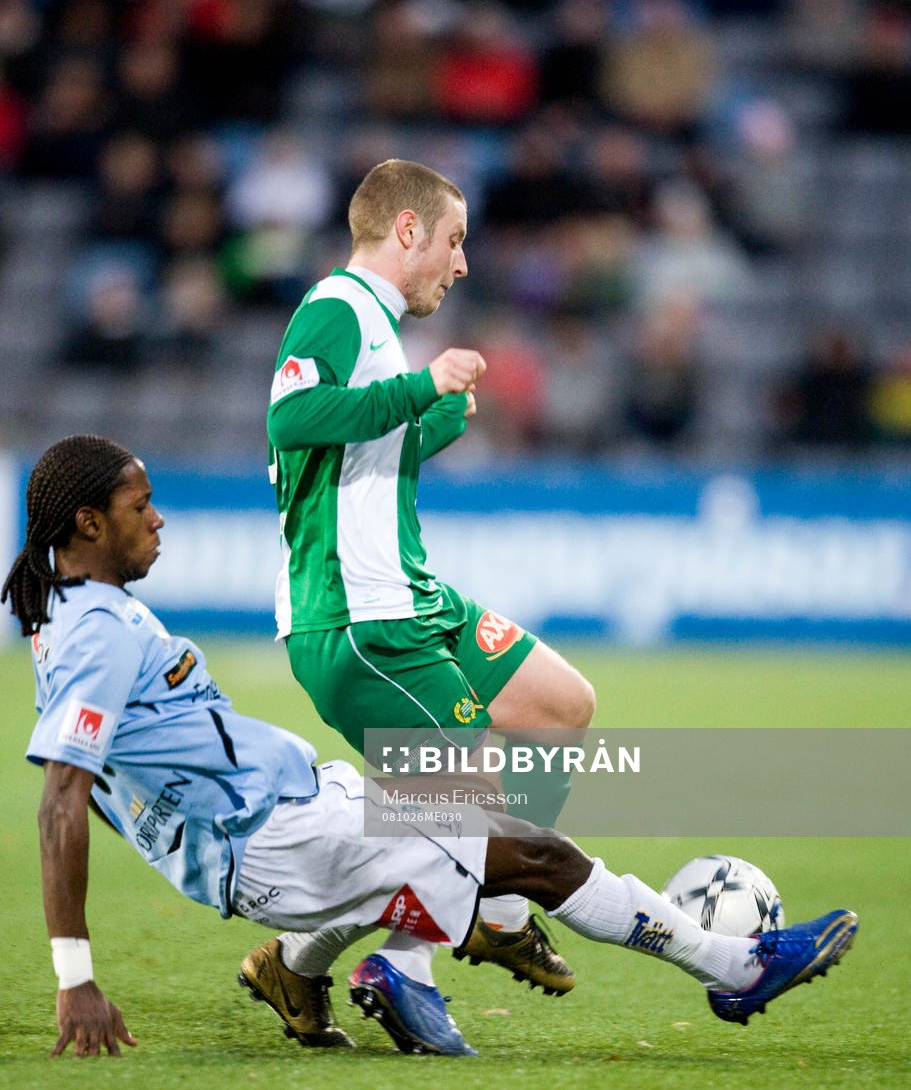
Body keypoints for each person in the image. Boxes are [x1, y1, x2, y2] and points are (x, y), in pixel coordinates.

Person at [2, 436, 858, 1057]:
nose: (160, 518)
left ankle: (302, 969)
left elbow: (112, 790)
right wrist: (75, 976)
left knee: (471, 834)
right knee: (530, 851)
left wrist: (184, 848)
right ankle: (733, 967)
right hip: (272, 836)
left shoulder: (66, 623)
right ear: (85, 523)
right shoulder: (98, 636)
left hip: (284, 819)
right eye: (138, 506)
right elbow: (63, 804)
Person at [262, 158, 597, 1036]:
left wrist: (432, 420)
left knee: (559, 706)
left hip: (413, 588)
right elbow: (291, 421)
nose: (460, 263)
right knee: (463, 803)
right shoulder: (336, 308)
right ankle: (376, 959)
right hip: (356, 607)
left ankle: (496, 918)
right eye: (453, 241)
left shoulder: (374, 323)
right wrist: (420, 389)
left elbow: (356, 457)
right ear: (405, 231)